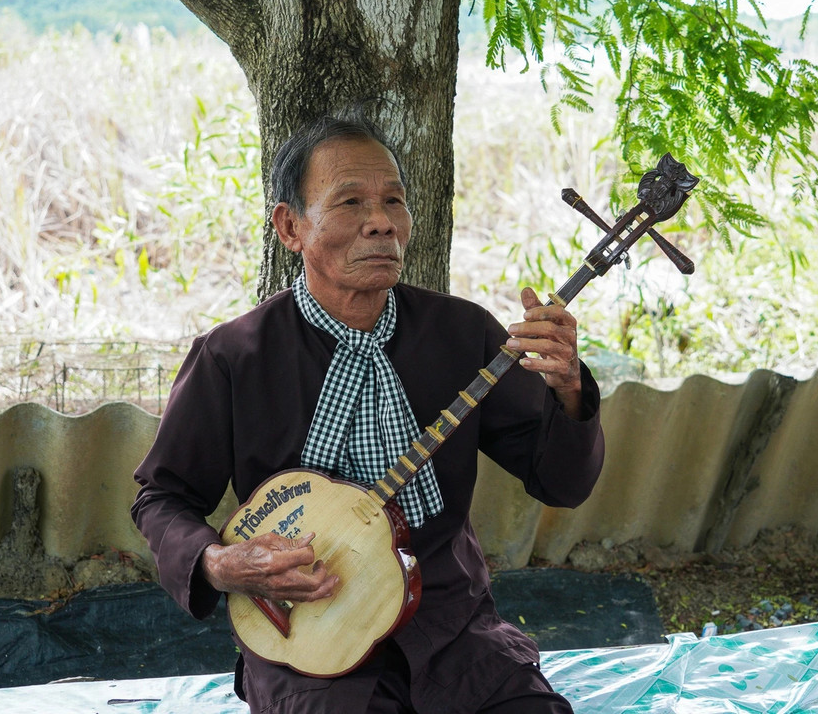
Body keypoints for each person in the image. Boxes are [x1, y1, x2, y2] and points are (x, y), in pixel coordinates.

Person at [132, 112, 605, 713]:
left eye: (393, 201)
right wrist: (224, 563)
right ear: (290, 226)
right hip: (309, 638)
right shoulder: (235, 356)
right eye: (350, 202)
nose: (381, 223)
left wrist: (568, 390)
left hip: (452, 630)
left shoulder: (463, 335)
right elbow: (161, 498)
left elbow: (562, 482)